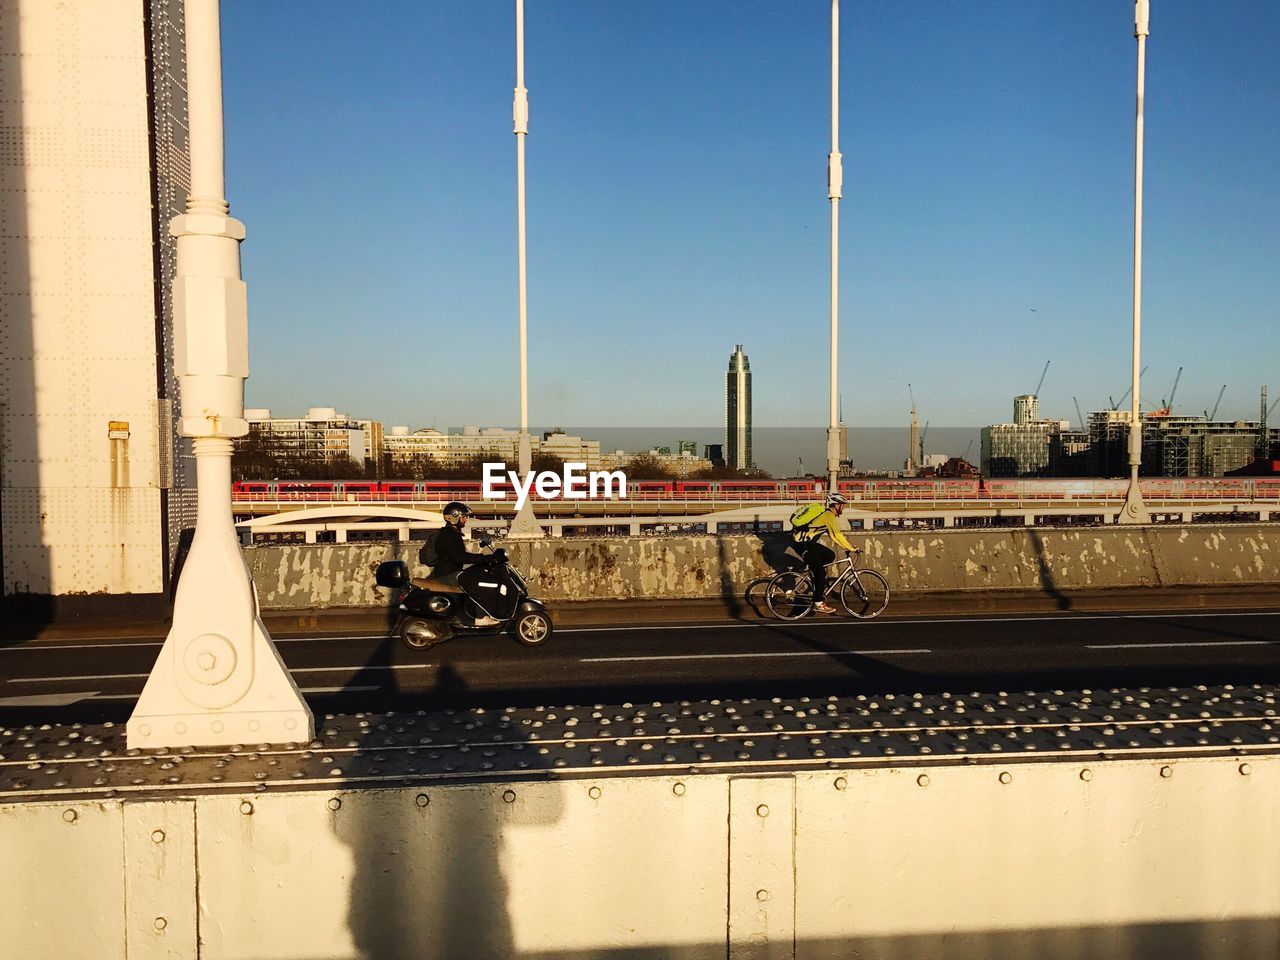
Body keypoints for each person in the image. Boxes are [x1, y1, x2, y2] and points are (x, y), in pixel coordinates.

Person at [789, 492, 853, 614]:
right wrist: (851, 548)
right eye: (842, 505)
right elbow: (837, 535)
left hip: (807, 544)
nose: (843, 507)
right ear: (836, 505)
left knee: (830, 555)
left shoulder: (827, 516)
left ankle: (816, 575)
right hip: (803, 544)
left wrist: (848, 546)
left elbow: (833, 535)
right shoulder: (829, 516)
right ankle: (818, 602)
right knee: (820, 572)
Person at [423, 501, 499, 586]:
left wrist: (483, 559)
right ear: (453, 517)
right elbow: (459, 557)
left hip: (449, 574)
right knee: (476, 583)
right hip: (446, 576)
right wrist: (484, 558)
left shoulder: (452, 533)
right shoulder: (448, 535)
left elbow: (460, 556)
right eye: (463, 516)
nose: (466, 519)